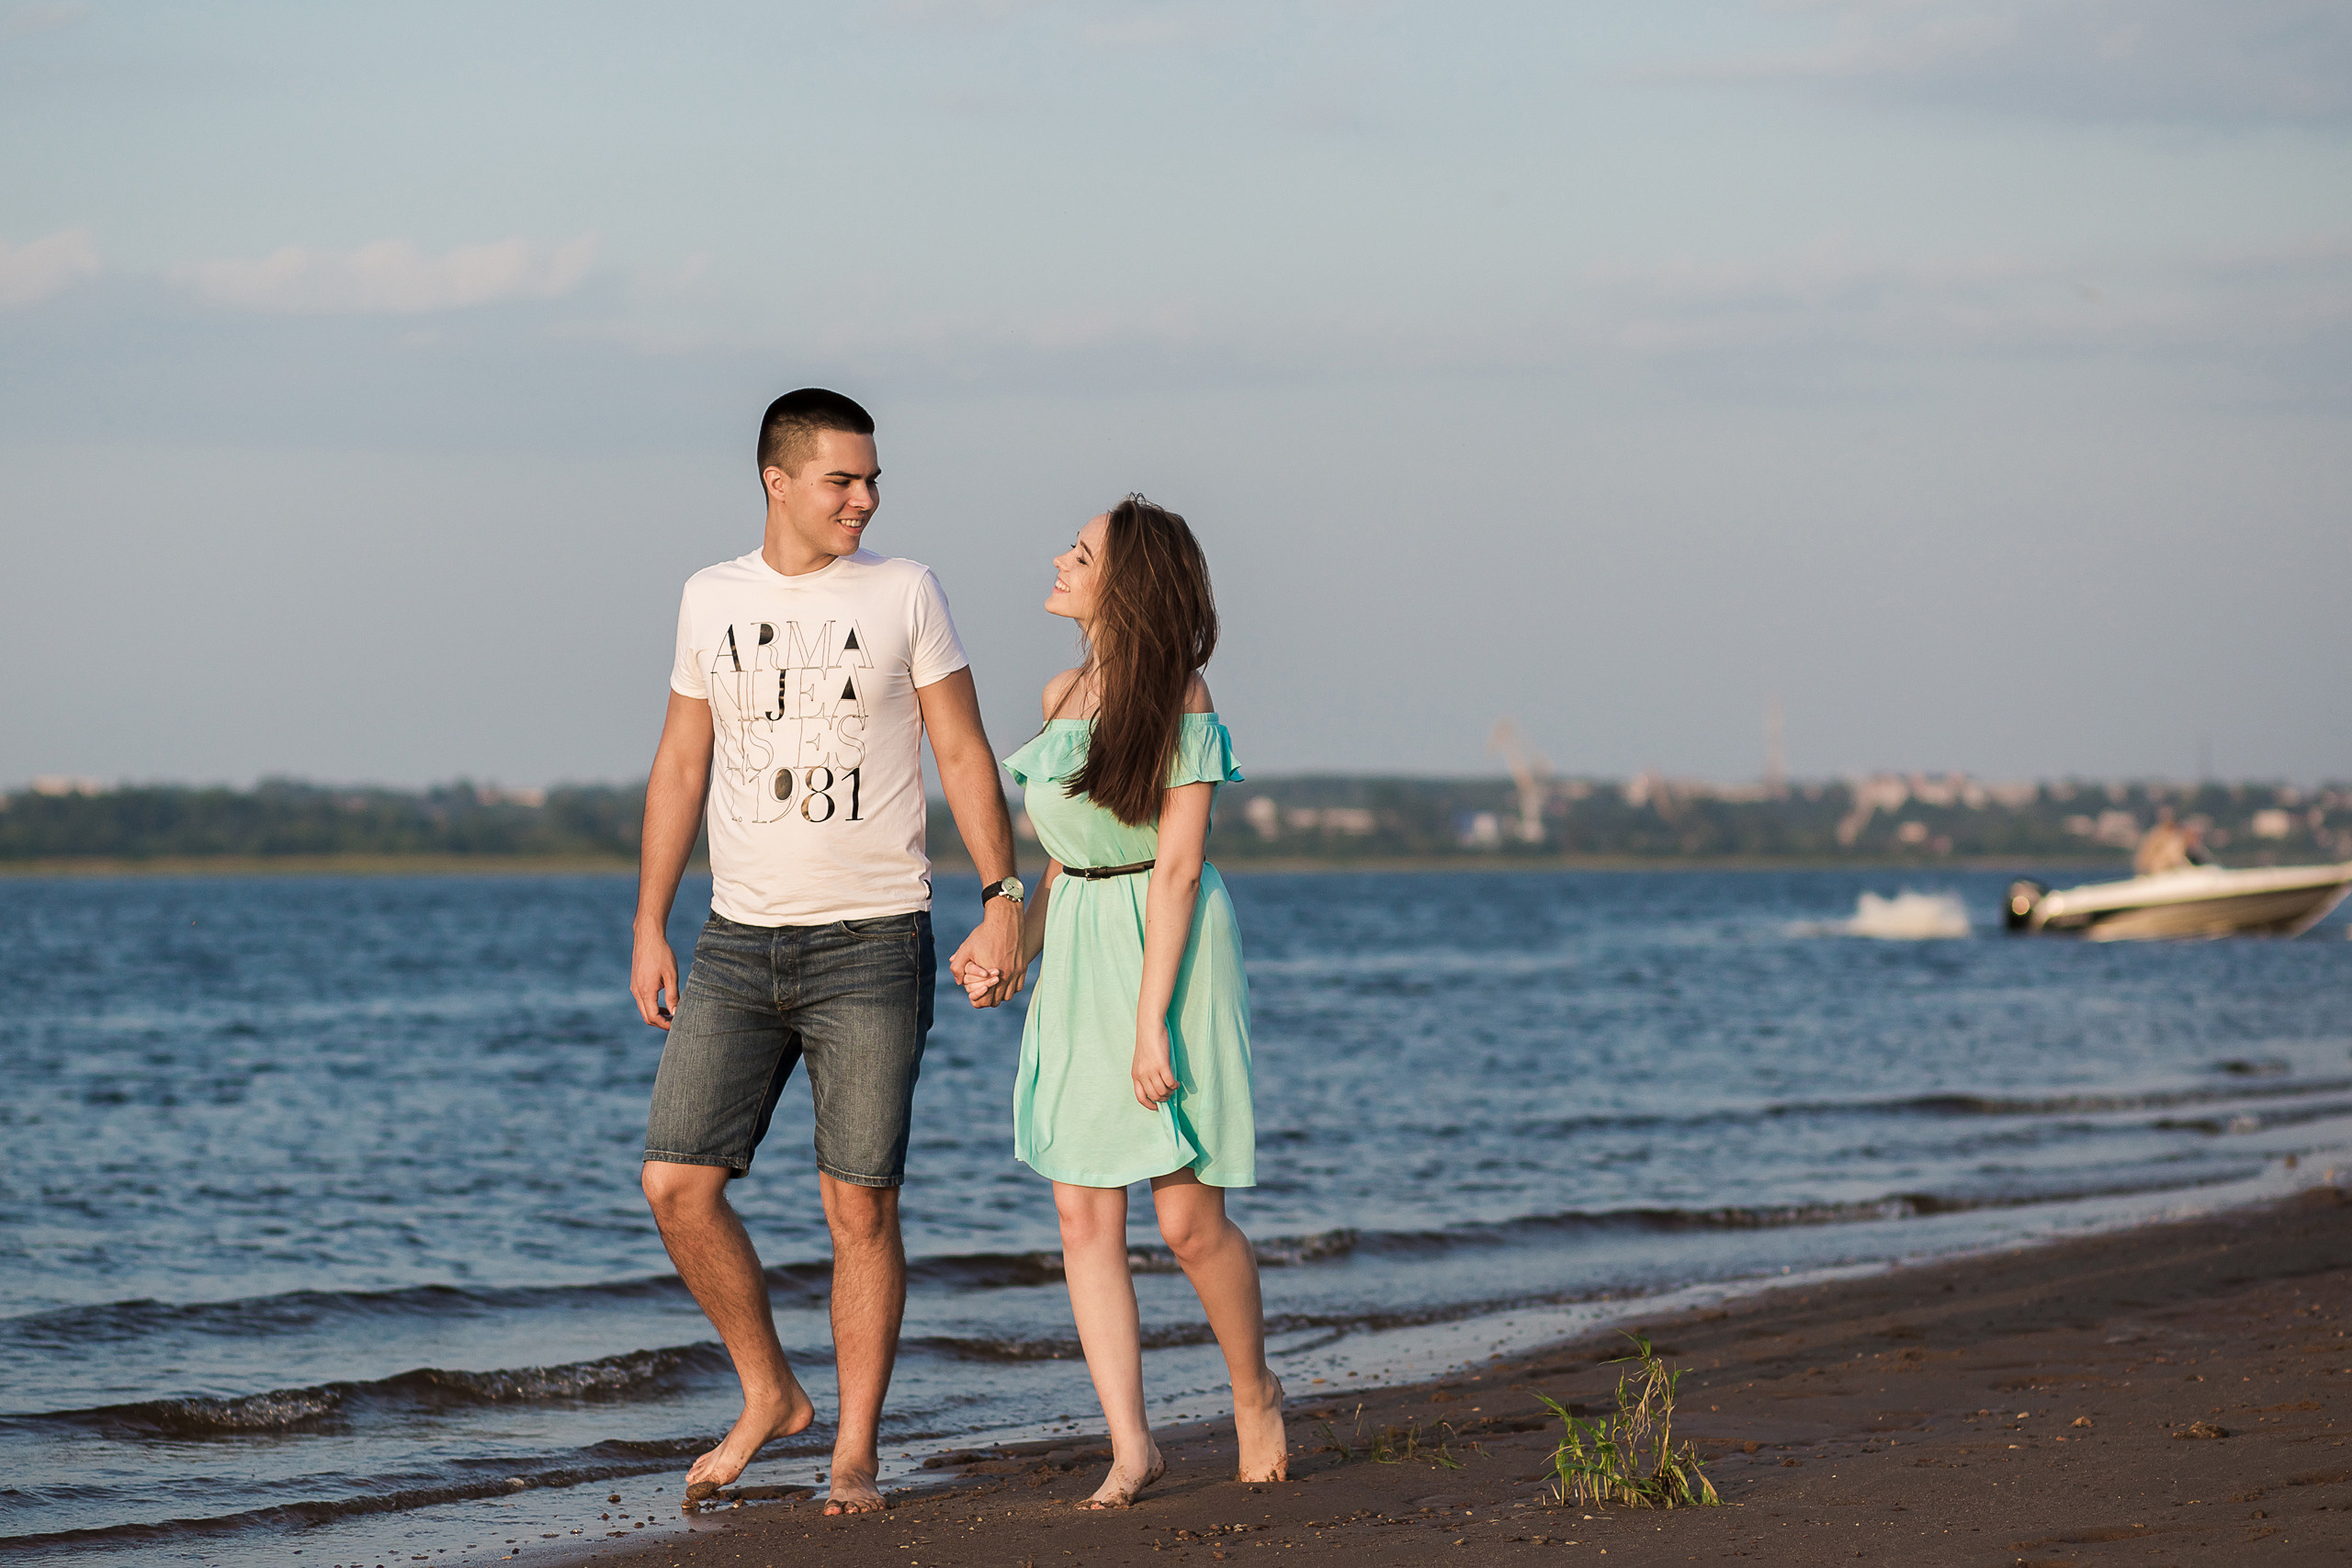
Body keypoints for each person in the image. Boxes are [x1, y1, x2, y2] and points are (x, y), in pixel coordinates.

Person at [629, 388, 1026, 1515]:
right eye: (843, 480)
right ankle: (769, 1393)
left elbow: (960, 749)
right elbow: (678, 767)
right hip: (735, 943)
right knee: (676, 1185)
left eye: (872, 480)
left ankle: (853, 1452)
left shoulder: (906, 591)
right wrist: (649, 921)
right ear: (778, 481)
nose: (865, 497)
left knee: (858, 1206)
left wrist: (1002, 895)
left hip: (873, 939)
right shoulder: (710, 597)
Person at [955, 495, 1285, 1508]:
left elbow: (1177, 868)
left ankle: (1253, 1391)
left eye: (1082, 552)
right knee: (1080, 1210)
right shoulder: (1060, 695)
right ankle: (1131, 1445)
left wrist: (1152, 1024)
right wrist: (1012, 947)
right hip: (1085, 946)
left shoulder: (1182, 696)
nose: (1059, 559)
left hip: (1168, 953)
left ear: (1126, 583)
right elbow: (1065, 865)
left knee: (1186, 1220)